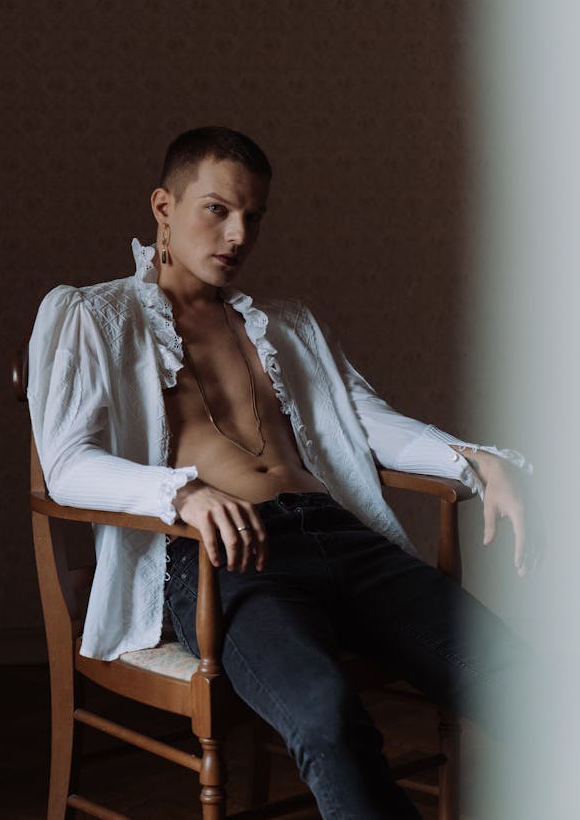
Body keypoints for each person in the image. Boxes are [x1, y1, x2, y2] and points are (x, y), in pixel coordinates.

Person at [28, 126, 539, 820]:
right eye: (217, 209)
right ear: (163, 207)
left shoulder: (286, 324)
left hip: (341, 538)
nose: (239, 232)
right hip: (225, 560)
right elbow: (65, 466)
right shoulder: (95, 314)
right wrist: (180, 490)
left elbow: (364, 421)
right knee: (327, 717)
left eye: (254, 215)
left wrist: (476, 459)